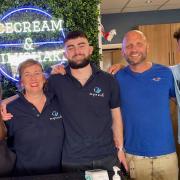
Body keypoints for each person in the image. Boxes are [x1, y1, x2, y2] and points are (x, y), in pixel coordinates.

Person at [47, 31, 127, 172]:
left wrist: (120, 149)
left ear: (90, 49)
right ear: (65, 54)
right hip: (73, 159)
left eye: (81, 45)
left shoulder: (108, 80)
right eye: (70, 47)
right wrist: (6, 102)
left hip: (107, 156)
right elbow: (33, 96)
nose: (77, 51)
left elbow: (116, 115)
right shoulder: (56, 81)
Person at [113, 30, 178, 180]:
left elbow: (177, 100)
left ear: (147, 47)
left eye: (138, 44)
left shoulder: (166, 73)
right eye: (129, 46)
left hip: (167, 155)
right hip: (134, 156)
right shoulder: (117, 78)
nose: (134, 49)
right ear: (123, 51)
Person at [5, 59, 64, 176]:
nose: (33, 78)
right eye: (27, 74)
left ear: (44, 77)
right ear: (21, 81)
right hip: (24, 175)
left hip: (57, 175)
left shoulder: (58, 102)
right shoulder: (10, 109)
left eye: (37, 73)